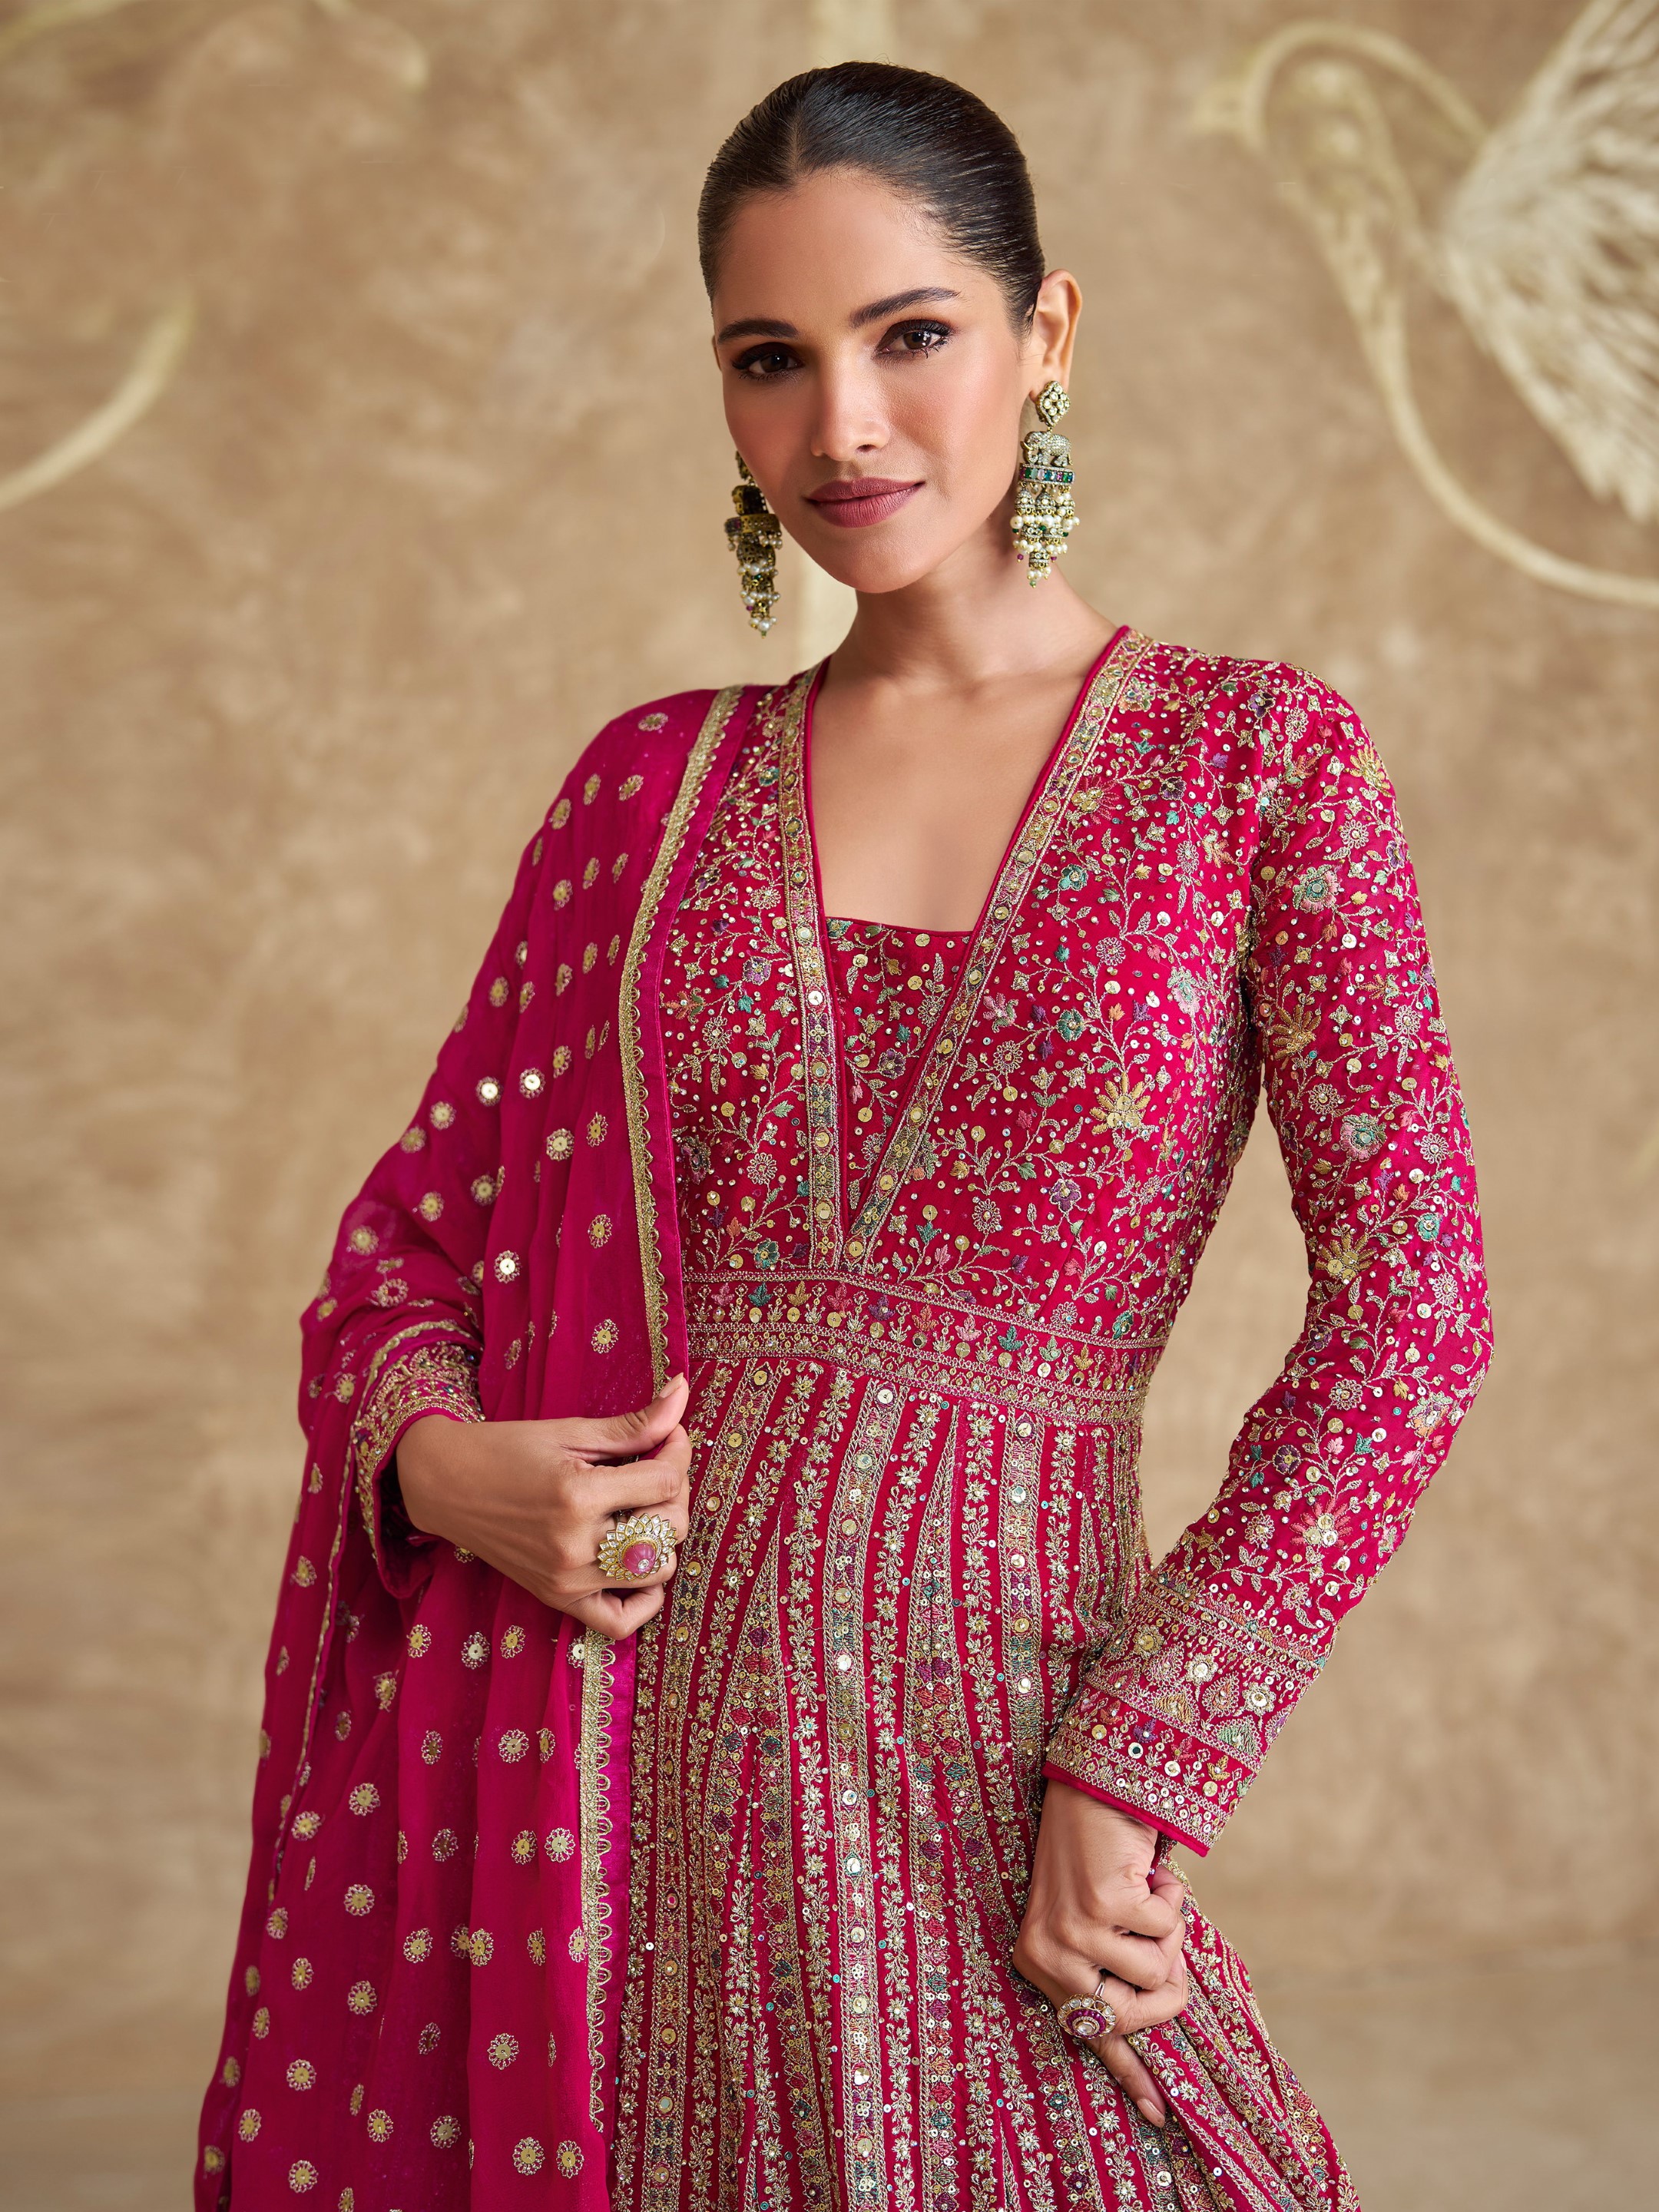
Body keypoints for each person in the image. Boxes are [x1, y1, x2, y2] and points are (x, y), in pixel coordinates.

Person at [198, 61, 1491, 2212]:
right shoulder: (648, 793)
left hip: (1017, 1760)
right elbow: (411, 1247)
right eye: (770, 360)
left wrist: (1144, 1755)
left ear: (1046, 334)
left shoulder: (1254, 767)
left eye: (911, 336)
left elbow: (1413, 1323)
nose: (844, 429)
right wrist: (442, 1467)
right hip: (610, 1798)